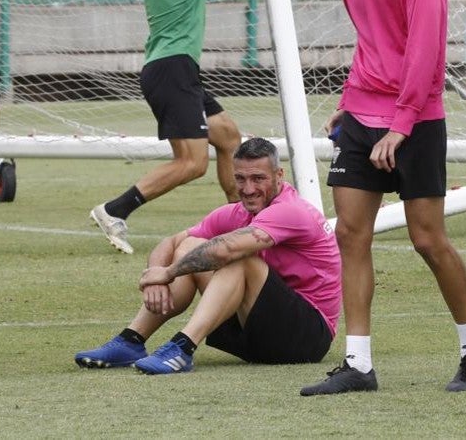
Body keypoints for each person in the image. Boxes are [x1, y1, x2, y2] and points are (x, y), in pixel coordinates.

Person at [300, 0, 466, 396]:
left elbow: (428, 49)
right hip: (362, 114)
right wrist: (348, 98)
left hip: (415, 119)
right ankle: (358, 364)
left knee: (428, 239)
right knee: (350, 234)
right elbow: (372, 39)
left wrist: (402, 124)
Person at [89, 0, 281, 254]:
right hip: (173, 68)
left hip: (169, 68)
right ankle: (115, 210)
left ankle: (239, 218)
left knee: (227, 137)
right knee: (192, 164)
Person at [76, 137, 340, 374]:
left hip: (306, 339)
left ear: (279, 175)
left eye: (258, 178)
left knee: (237, 257)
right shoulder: (236, 212)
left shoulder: (291, 211)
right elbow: (170, 242)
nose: (248, 188)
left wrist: (168, 272)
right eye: (240, 179)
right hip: (256, 333)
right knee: (190, 245)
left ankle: (183, 347)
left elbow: (227, 250)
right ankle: (131, 340)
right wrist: (154, 278)